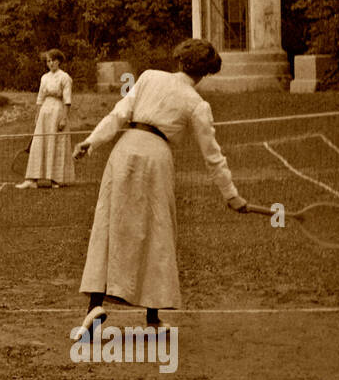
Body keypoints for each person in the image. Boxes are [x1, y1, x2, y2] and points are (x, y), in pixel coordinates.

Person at [72, 38, 247, 334]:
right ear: (205, 73)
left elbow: (118, 114)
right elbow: (212, 156)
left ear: (180, 61)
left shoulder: (149, 77)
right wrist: (231, 195)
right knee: (157, 231)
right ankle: (152, 319)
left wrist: (92, 142)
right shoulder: (197, 103)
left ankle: (95, 306)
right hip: (156, 159)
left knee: (107, 222)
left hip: (124, 150)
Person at [17, 48, 73, 190]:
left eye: (53, 60)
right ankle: (32, 180)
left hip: (58, 112)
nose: (50, 63)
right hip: (44, 112)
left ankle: (56, 179)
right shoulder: (44, 77)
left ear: (58, 61)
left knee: (56, 143)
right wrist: (37, 116)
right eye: (48, 61)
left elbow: (67, 100)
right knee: (39, 143)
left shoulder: (65, 77)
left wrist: (64, 119)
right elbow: (40, 99)